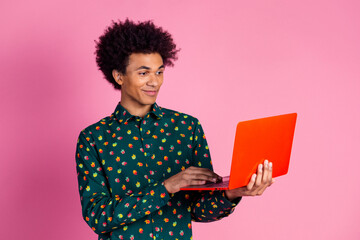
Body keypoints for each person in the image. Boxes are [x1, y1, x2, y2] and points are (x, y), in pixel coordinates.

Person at [75, 19, 274, 240]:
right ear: (119, 76)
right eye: (144, 73)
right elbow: (98, 216)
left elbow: (199, 210)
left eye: (159, 72)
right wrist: (166, 187)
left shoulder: (187, 128)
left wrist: (233, 192)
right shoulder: (94, 138)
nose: (155, 82)